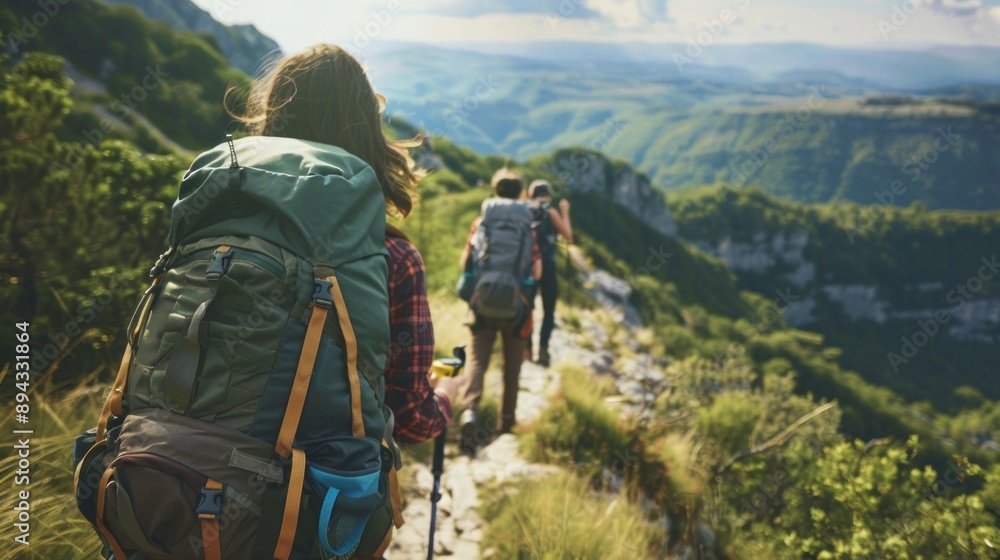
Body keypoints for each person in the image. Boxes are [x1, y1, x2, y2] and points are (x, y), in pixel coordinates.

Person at [458, 168, 542, 450]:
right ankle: (505, 425)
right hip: (517, 307)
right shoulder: (529, 224)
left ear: (495, 192)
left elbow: (466, 263)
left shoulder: (482, 221)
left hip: (482, 303)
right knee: (512, 367)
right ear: (520, 193)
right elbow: (537, 269)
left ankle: (470, 411)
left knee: (477, 360)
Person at [526, 180, 572, 367]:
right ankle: (543, 350)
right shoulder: (551, 212)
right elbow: (568, 236)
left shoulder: (525, 211)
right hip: (548, 266)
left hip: (529, 265)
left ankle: (526, 350)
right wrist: (565, 213)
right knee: (549, 310)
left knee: (528, 308)